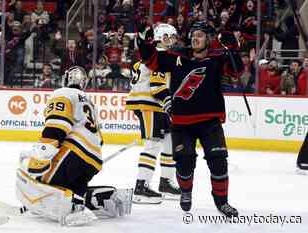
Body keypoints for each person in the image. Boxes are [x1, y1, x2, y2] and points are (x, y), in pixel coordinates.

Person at [136, 21, 243, 217]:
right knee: (184, 162)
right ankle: (186, 191)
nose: (195, 38)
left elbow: (237, 72)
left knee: (218, 161)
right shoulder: (177, 57)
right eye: (193, 34)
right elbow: (149, 59)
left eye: (200, 35)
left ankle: (222, 202)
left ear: (209, 39)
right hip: (182, 123)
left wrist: (233, 48)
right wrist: (144, 41)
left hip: (210, 121)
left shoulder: (217, 59)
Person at [16, 66, 132, 226]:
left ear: (66, 79)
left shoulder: (62, 93)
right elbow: (99, 138)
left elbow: (56, 126)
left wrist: (41, 157)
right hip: (94, 160)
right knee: (70, 190)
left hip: (74, 152)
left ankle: (69, 204)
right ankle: (81, 202)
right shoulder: (88, 100)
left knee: (41, 183)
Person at [126, 23, 181, 204]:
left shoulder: (152, 55)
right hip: (150, 104)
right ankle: (141, 188)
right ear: (162, 37)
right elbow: (157, 86)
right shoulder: (161, 56)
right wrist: (169, 104)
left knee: (168, 143)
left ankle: (165, 183)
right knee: (153, 144)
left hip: (154, 105)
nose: (173, 41)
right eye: (170, 37)